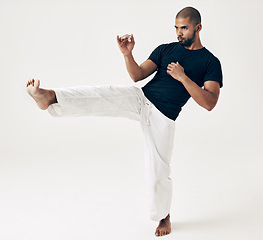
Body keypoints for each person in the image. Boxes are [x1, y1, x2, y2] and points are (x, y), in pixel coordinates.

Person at [26, 6, 223, 237]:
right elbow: (138, 75)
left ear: (198, 28)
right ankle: (51, 97)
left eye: (184, 28)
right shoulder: (166, 49)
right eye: (176, 27)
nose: (179, 33)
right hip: (141, 98)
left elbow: (209, 102)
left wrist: (183, 77)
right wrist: (127, 54)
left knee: (157, 171)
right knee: (104, 93)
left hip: (164, 115)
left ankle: (163, 216)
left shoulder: (210, 61)